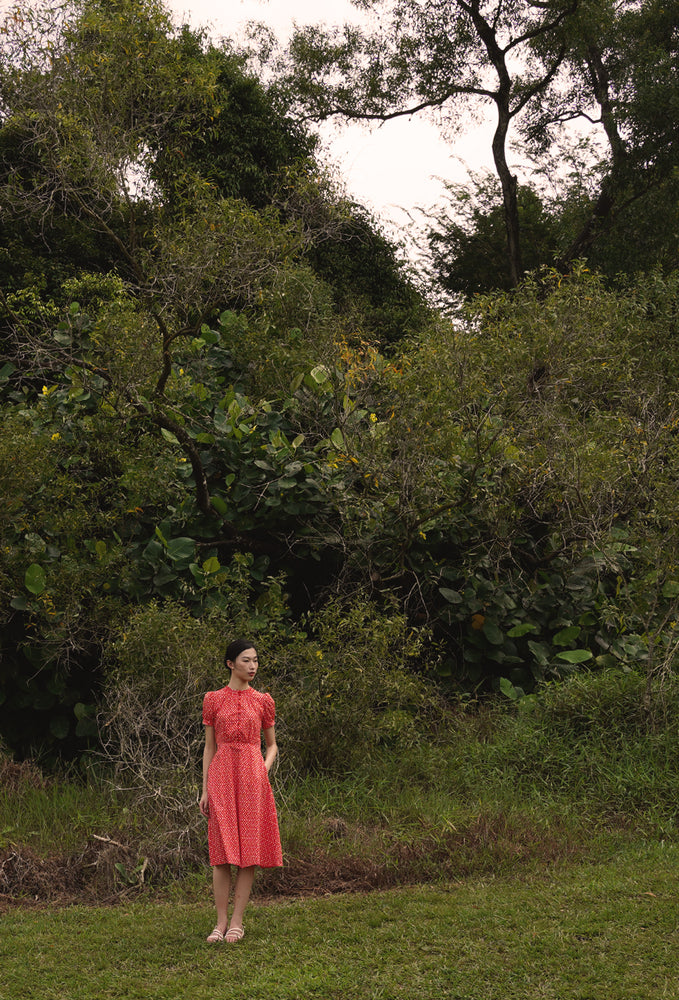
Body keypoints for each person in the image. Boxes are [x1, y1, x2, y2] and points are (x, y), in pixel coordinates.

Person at [199, 639, 282, 943]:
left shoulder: (263, 701)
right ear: (230, 664)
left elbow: (272, 744)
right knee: (220, 853)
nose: (253, 666)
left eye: (256, 660)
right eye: (246, 660)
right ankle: (219, 923)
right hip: (221, 776)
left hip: (252, 777)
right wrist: (205, 788)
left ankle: (237, 922)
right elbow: (209, 747)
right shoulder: (213, 699)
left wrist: (263, 767)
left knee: (249, 853)